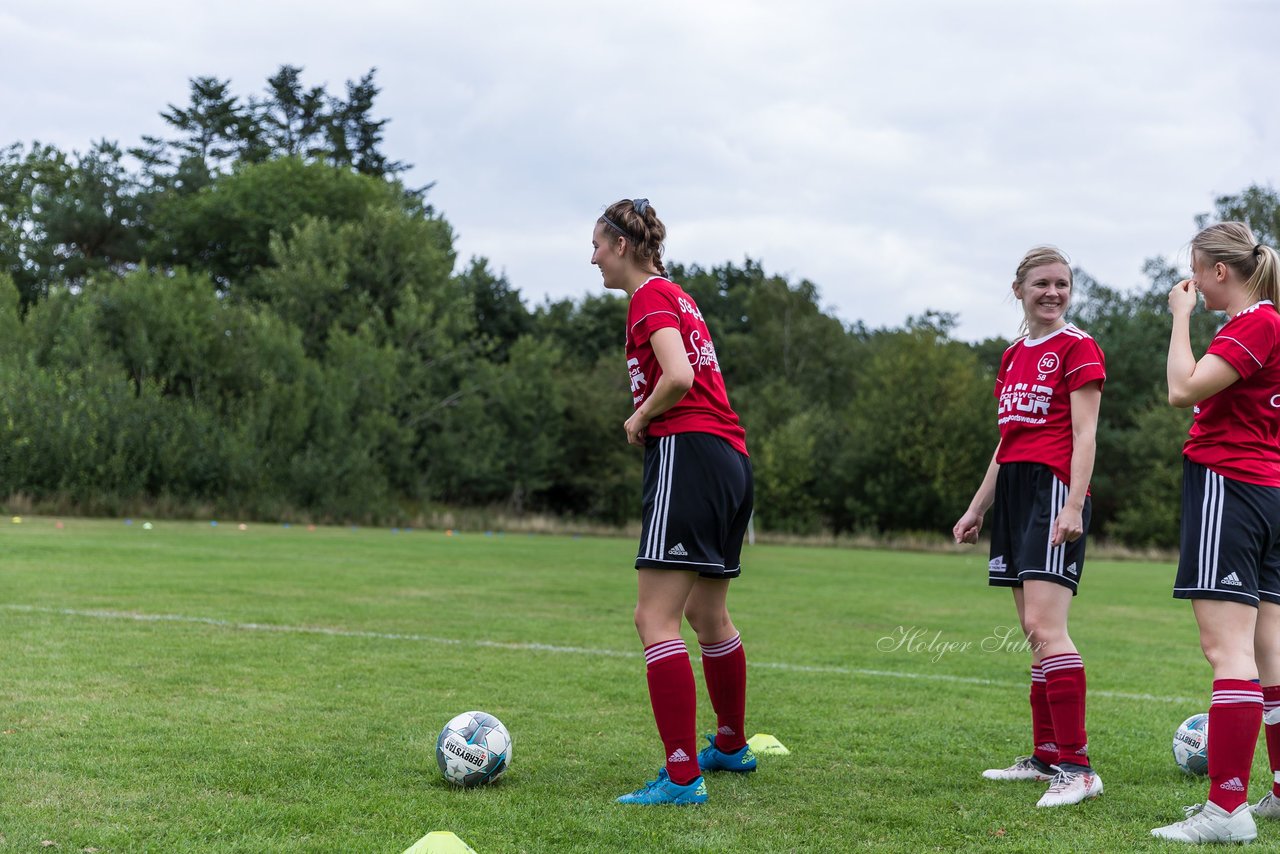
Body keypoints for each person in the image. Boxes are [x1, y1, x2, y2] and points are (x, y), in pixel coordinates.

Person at [589, 198, 756, 806]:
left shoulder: (648, 297)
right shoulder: (679, 294)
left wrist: (639, 415)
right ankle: (731, 745)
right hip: (729, 459)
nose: (594, 258)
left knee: (652, 618)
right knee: (708, 617)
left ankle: (683, 776)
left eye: (598, 245)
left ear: (624, 246)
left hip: (688, 453)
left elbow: (679, 376)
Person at [952, 246, 1106, 808]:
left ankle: (1079, 767)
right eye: (1041, 283)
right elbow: (1008, 442)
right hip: (1016, 493)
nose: (1053, 293)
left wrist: (1073, 504)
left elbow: (1085, 435)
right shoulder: (1014, 353)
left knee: (1047, 627)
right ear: (1018, 289)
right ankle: (1046, 758)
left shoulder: (1079, 347)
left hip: (1052, 491)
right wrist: (977, 508)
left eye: (1062, 284)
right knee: (1032, 632)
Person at [1151, 223, 1280, 844]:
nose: (1193, 284)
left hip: (1231, 486)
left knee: (1226, 651)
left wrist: (1179, 319)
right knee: (1269, 653)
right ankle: (1278, 794)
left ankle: (1226, 811)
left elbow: (1182, 389)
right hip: (1269, 492)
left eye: (1197, 273)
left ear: (1220, 272)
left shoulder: (1254, 323)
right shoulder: (1267, 325)